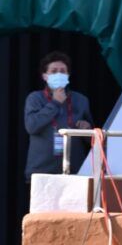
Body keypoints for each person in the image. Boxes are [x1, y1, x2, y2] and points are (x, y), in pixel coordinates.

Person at [24, 51, 93, 182]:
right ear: (44, 76)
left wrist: (87, 129)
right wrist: (55, 103)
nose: (59, 74)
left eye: (63, 71)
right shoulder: (35, 98)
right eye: (54, 71)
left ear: (68, 75)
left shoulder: (81, 100)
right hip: (42, 171)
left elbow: (92, 140)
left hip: (75, 171)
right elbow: (32, 126)